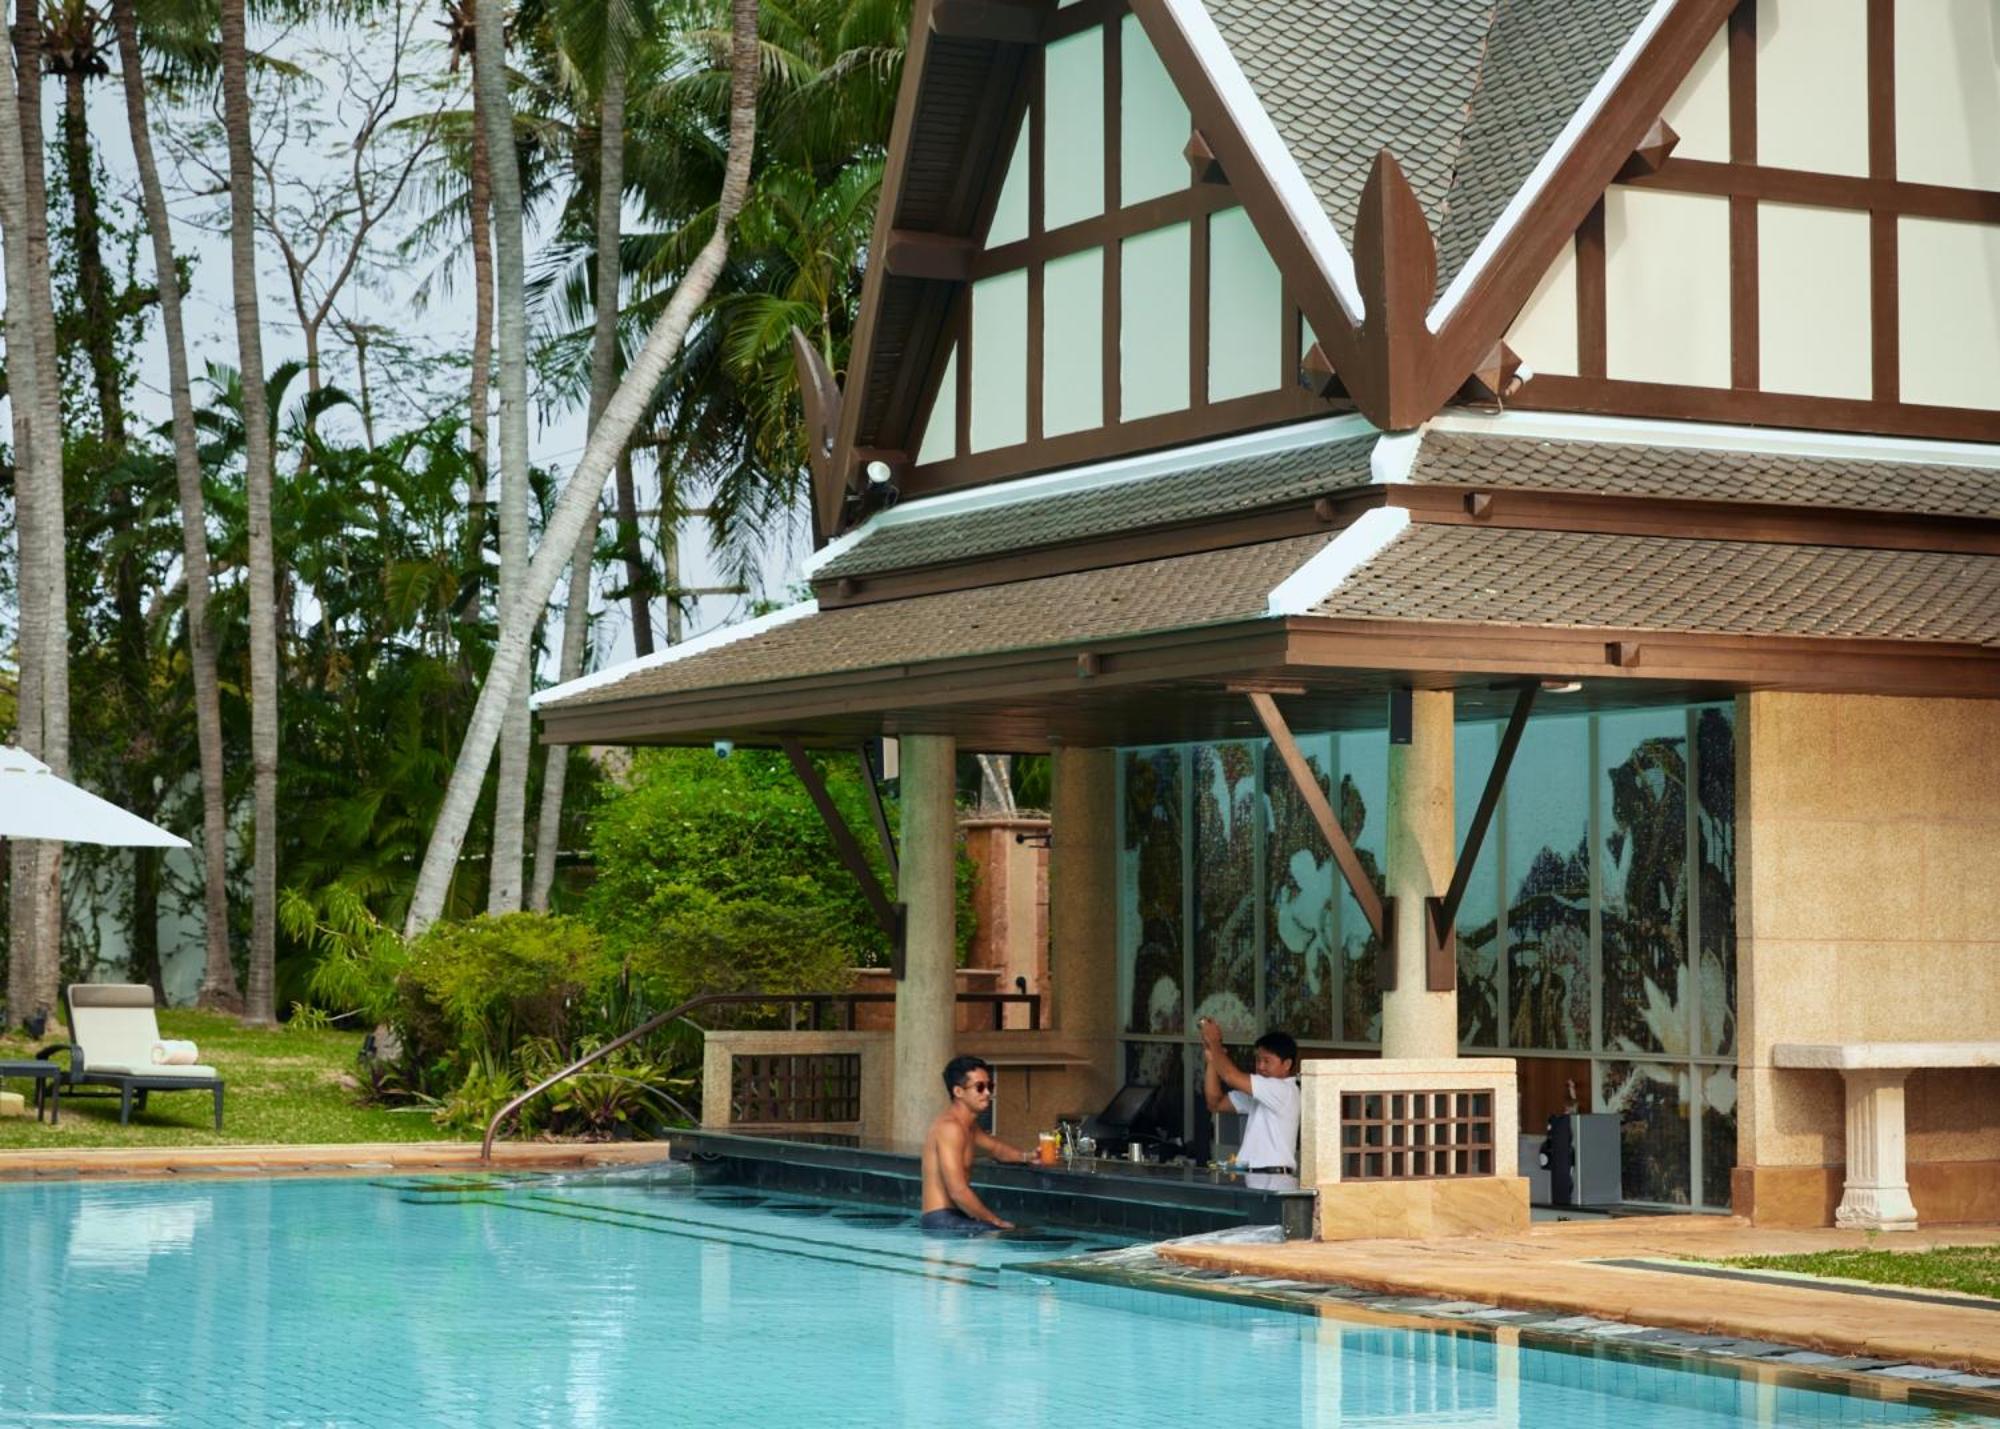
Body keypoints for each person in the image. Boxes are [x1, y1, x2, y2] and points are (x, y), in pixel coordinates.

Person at [920, 1054, 1035, 1231]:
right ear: (958, 1092)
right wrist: (996, 1222)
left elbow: (997, 1149)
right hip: (940, 1221)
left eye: (990, 1086)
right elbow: (957, 1191)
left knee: (1024, 1232)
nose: (988, 1093)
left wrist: (1029, 1156)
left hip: (956, 1216)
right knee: (1009, 1235)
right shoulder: (950, 1128)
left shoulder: (968, 1126)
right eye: (980, 1087)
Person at [1197, 1016, 1300, 1188]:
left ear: (1287, 1064)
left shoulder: (1283, 1090)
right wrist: (1212, 1062)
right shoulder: (1261, 1094)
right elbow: (1215, 1103)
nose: (1260, 1066)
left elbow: (1230, 1076)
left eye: (1267, 1061)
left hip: (1272, 1180)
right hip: (1252, 1176)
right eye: (1258, 1060)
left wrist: (1214, 1043)